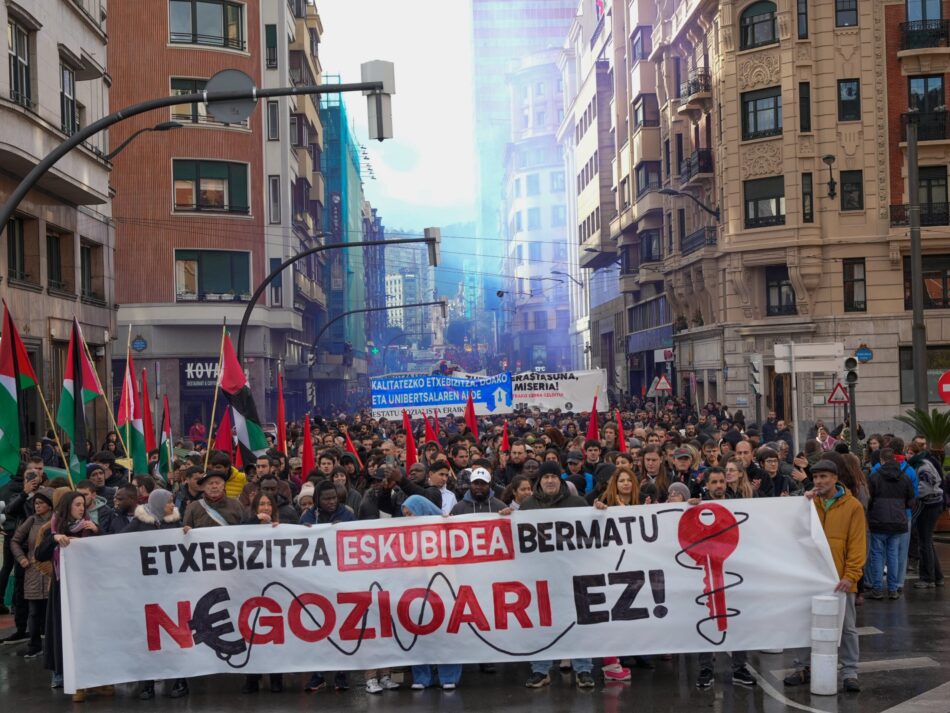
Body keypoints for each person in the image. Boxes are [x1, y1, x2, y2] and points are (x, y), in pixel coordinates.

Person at [785, 459, 866, 693]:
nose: (819, 481)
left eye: (824, 477)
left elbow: (857, 544)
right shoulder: (808, 504)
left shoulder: (853, 507)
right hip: (811, 576)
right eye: (816, 477)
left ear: (835, 478)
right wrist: (802, 505)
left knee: (847, 627)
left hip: (841, 578)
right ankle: (803, 666)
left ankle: (850, 671)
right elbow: (793, 533)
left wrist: (851, 575)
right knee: (806, 622)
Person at [520, 468, 595, 689]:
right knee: (542, 623)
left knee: (578, 622)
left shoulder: (577, 503)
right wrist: (507, 518)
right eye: (546, 477)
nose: (550, 480)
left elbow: (591, 531)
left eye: (553, 476)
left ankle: (583, 670)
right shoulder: (527, 506)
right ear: (540, 481)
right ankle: (541, 671)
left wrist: (600, 512)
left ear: (559, 480)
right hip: (540, 575)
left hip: (573, 573)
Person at [694, 467, 756, 690]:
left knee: (738, 619)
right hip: (706, 573)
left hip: (733, 571)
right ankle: (705, 668)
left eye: (721, 481)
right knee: (705, 617)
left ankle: (739, 667)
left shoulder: (738, 506)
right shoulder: (696, 509)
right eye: (714, 482)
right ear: (707, 485)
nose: (719, 485)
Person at [35, 489, 100, 700]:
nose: (82, 509)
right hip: (62, 588)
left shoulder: (90, 527)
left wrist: (97, 532)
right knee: (61, 630)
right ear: (67, 507)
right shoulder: (52, 529)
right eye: (77, 505)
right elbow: (39, 554)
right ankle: (60, 672)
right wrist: (55, 539)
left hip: (87, 588)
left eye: (83, 504)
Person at [401, 494, 463, 691]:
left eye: (410, 513)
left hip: (443, 588)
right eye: (404, 514)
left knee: (446, 634)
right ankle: (421, 676)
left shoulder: (445, 525)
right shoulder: (404, 533)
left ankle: (449, 676)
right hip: (415, 589)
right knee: (418, 633)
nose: (407, 518)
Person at [866, 447, 916, 599]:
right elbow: (911, 501)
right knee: (893, 554)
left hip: (878, 521)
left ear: (881, 460)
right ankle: (893, 589)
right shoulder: (904, 477)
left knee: (877, 555)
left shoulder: (874, 477)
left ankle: (877, 589)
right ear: (894, 459)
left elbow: (869, 499)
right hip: (897, 521)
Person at [9, 487, 54, 658]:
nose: (37, 506)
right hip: (32, 572)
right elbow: (14, 541)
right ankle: (34, 645)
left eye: (41, 503)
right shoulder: (31, 520)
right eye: (35, 503)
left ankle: (51, 645)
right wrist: (21, 558)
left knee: (51, 612)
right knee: (34, 612)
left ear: (50, 505)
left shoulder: (56, 521)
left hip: (50, 571)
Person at [906, 442, 945, 588]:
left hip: (929, 506)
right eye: (907, 452)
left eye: (910, 453)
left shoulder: (922, 466)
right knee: (927, 541)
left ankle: (927, 578)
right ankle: (937, 576)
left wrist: (911, 494)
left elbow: (926, 487)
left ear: (917, 453)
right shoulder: (921, 464)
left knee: (924, 542)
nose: (908, 455)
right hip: (930, 504)